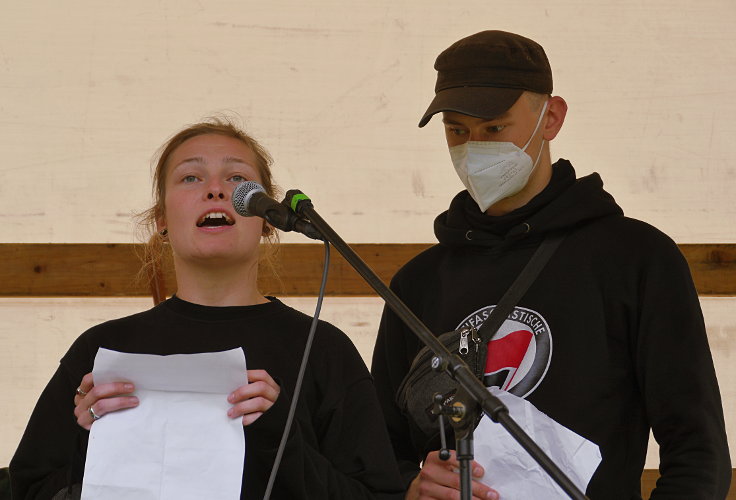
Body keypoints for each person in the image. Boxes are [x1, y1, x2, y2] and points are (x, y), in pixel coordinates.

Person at [370, 30, 731, 500]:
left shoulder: (636, 258)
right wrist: (410, 488)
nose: (474, 146)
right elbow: (376, 454)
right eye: (457, 130)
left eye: (494, 128)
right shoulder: (419, 282)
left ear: (551, 118)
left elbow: (698, 452)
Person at [10, 118, 405, 500]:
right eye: (190, 177)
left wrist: (281, 440)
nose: (216, 190)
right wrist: (90, 444)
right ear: (162, 218)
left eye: (237, 179)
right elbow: (30, 488)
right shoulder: (104, 347)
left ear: (267, 220)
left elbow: (377, 494)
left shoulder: (323, 349)